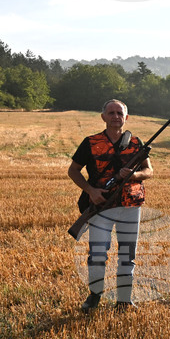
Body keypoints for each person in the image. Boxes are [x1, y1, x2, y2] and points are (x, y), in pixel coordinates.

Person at [67, 99, 153, 312]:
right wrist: (92, 191)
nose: (116, 116)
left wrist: (134, 174)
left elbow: (149, 171)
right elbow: (73, 170)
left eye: (119, 113)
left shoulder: (136, 142)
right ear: (103, 116)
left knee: (127, 254)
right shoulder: (90, 142)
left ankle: (124, 301)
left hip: (131, 205)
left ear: (126, 117)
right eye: (111, 112)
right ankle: (94, 297)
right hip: (101, 205)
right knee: (97, 253)